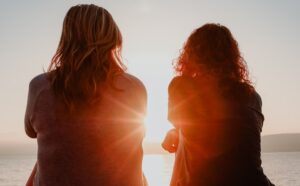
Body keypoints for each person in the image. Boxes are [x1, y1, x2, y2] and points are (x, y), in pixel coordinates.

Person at [25, 4, 147, 186]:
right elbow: (137, 137)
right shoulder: (134, 87)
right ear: (113, 38)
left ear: (66, 39)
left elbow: (30, 131)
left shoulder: (40, 86)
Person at [162, 23, 274, 186]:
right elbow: (227, 134)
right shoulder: (252, 96)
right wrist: (177, 132)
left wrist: (175, 131)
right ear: (233, 58)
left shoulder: (181, 87)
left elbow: (192, 125)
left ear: (191, 56)